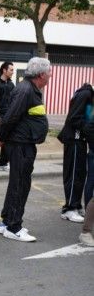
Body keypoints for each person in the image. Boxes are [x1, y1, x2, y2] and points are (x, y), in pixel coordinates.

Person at [0, 57, 50, 242]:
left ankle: (7, 222)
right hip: (21, 145)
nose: (50, 77)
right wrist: (1, 138)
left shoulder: (30, 89)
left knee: (18, 183)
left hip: (23, 144)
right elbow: (11, 117)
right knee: (20, 185)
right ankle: (13, 227)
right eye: (49, 73)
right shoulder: (25, 90)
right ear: (41, 74)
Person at [57, 83, 93, 223]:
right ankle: (69, 209)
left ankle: (76, 205)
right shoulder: (85, 94)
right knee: (73, 174)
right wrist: (88, 129)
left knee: (79, 174)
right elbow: (74, 118)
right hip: (75, 139)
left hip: (80, 140)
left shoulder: (88, 95)